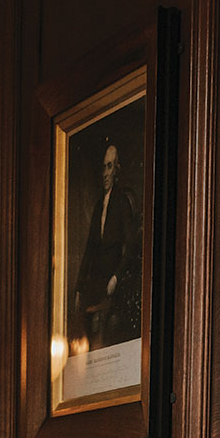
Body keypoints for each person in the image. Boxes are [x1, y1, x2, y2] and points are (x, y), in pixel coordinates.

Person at [73, 142, 138, 350]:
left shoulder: (122, 202)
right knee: (81, 327)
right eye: (103, 167)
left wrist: (116, 276)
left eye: (109, 167)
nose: (105, 173)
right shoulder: (98, 205)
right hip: (96, 281)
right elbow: (90, 248)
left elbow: (131, 245)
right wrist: (79, 288)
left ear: (117, 170)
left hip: (114, 281)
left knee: (108, 330)